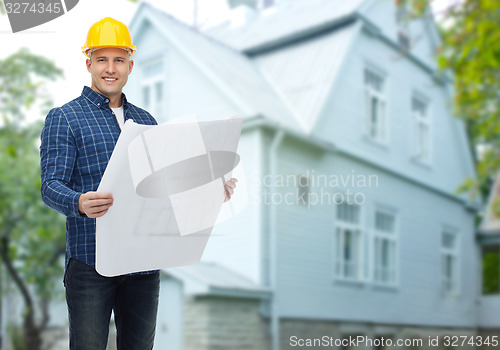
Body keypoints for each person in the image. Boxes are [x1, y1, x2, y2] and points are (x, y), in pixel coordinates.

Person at [40, 17, 237, 350]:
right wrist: (78, 202)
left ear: (130, 65)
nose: (110, 68)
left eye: (119, 60)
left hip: (144, 262)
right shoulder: (65, 117)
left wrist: (209, 191)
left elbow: (165, 188)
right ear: (88, 62)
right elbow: (50, 185)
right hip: (91, 262)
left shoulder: (146, 121)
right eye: (102, 59)